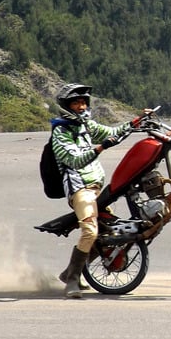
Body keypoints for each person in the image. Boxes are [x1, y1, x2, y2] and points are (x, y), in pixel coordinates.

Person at [51, 83, 147, 298]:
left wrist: (136, 122)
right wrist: (101, 147)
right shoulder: (61, 131)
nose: (82, 106)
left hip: (96, 189)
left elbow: (113, 132)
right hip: (80, 190)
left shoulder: (86, 126)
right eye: (77, 102)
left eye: (84, 102)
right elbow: (74, 160)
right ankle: (73, 281)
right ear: (67, 106)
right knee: (90, 231)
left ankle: (68, 273)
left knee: (108, 232)